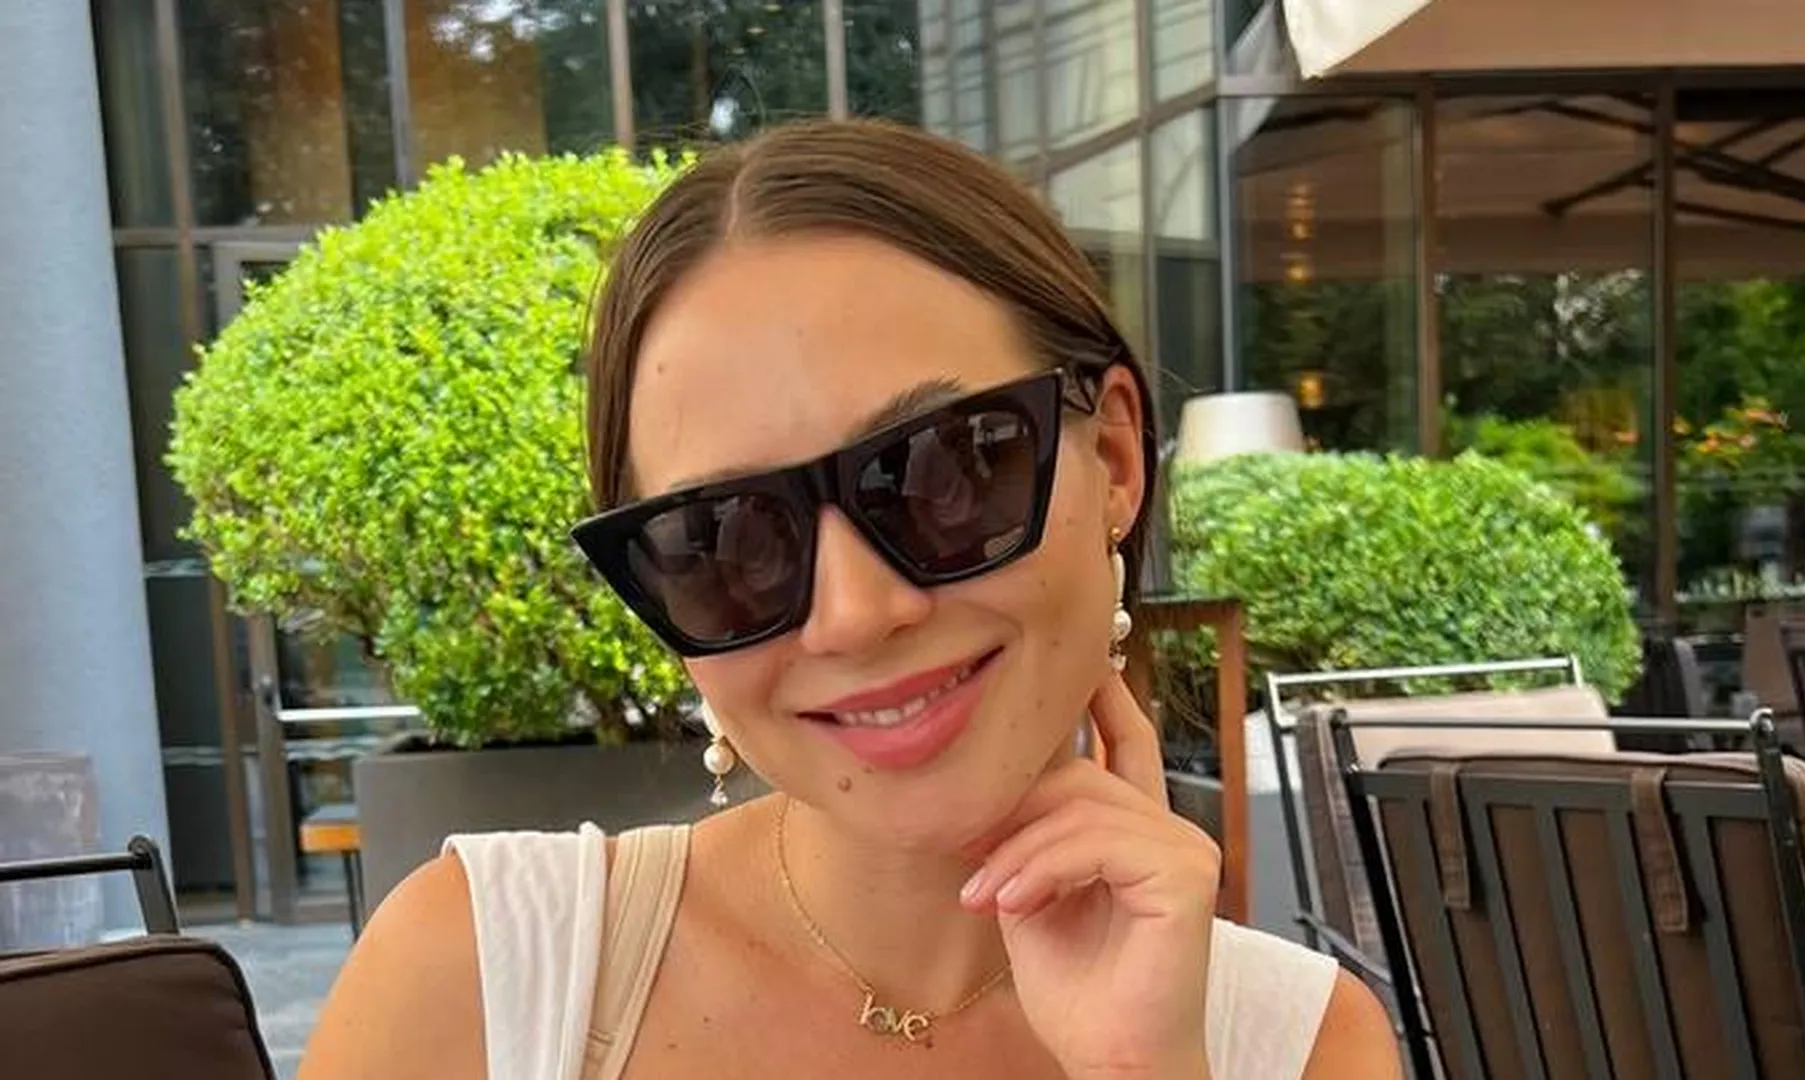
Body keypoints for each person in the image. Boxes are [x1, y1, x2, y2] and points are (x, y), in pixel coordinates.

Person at [298, 118, 1401, 1080]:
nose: (856, 613)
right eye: (725, 540)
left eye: (947, 471)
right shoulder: (482, 981)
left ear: (1112, 457)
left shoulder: (1298, 1047)